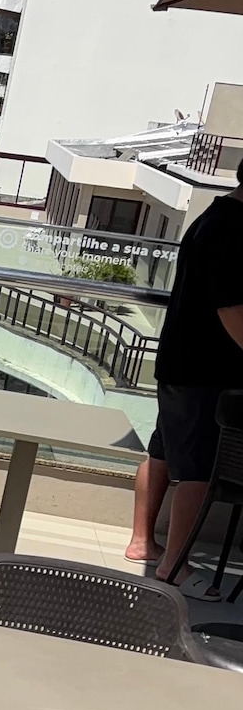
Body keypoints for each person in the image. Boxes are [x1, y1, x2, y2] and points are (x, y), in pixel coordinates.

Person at [146, 196, 243, 579]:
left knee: (164, 450)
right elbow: (230, 307)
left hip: (180, 360)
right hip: (205, 370)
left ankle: (144, 541)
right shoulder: (234, 228)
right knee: (199, 470)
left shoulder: (211, 216)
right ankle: (174, 564)